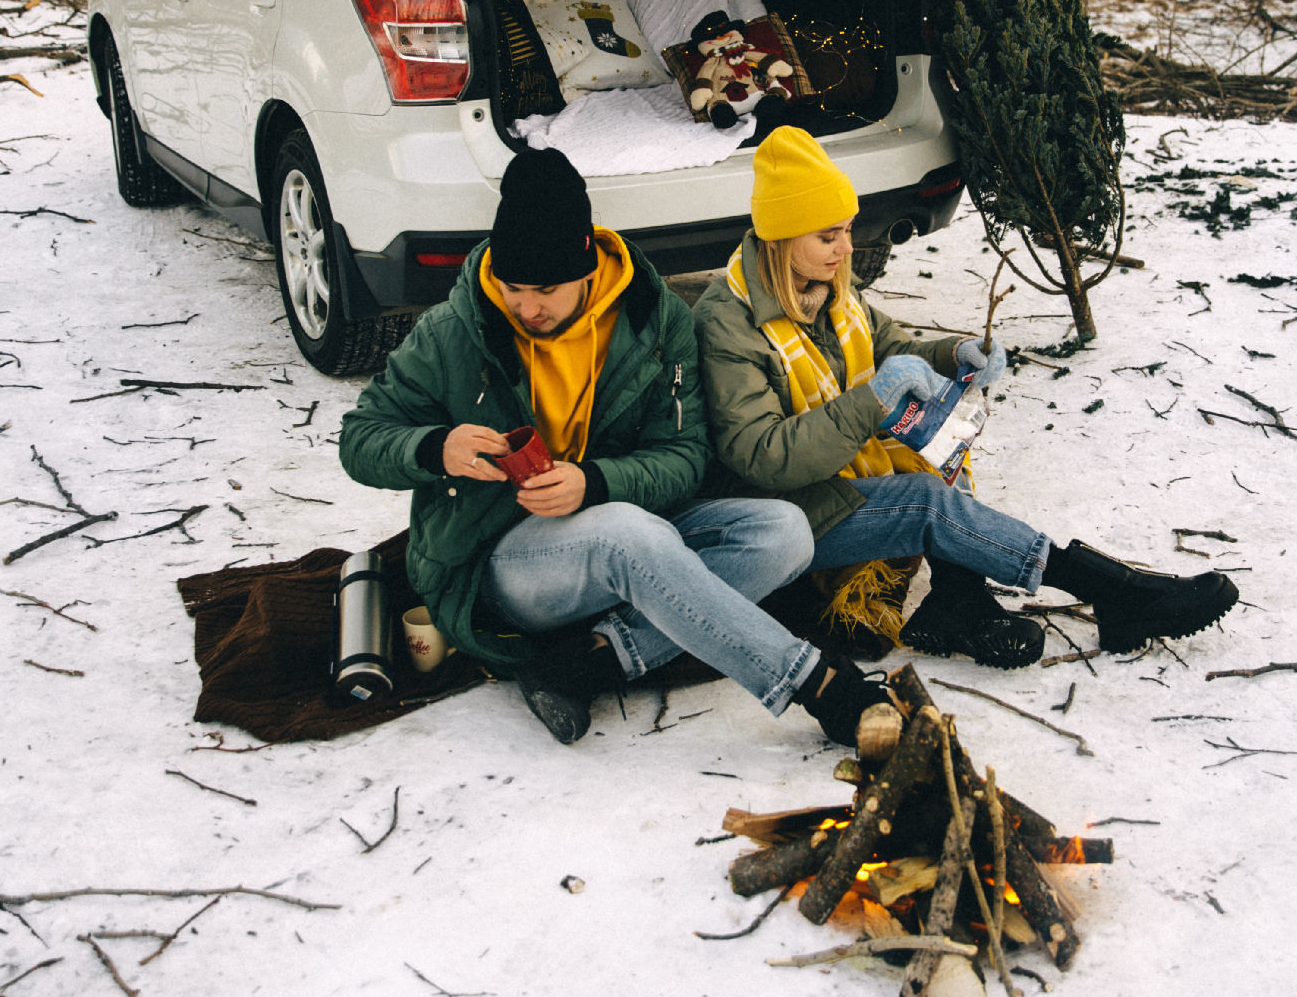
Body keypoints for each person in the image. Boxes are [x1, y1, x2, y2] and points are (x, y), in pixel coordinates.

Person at [338, 148, 891, 747]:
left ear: (586, 269)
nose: (526, 307)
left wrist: (594, 482)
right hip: (498, 562)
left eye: (545, 289)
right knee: (625, 533)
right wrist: (433, 448)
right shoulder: (452, 332)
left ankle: (588, 662)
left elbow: (685, 457)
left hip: (631, 531)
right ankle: (817, 685)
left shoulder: (655, 325)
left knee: (783, 532)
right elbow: (360, 439)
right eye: (511, 285)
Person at [691, 127, 1239, 667]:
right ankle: (1115, 592)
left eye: (848, 229)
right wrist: (871, 403)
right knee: (926, 501)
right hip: (774, 516)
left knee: (934, 454)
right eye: (828, 235)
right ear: (785, 235)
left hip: (830, 483)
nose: (847, 247)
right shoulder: (728, 323)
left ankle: (961, 599)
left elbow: (892, 346)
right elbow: (760, 456)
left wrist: (954, 354)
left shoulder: (825, 286)